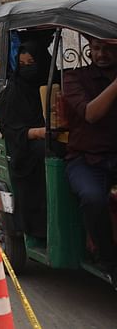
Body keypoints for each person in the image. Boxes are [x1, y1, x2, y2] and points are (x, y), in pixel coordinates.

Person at [0, 37, 58, 239]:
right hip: (24, 151)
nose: (27, 69)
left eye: (32, 64)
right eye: (22, 65)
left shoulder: (55, 84)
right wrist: (38, 132)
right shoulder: (15, 91)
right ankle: (37, 229)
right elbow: (11, 130)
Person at [64, 36, 117, 278]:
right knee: (93, 198)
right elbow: (91, 114)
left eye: (108, 49)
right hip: (84, 159)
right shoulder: (74, 78)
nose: (101, 54)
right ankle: (107, 259)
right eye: (97, 48)